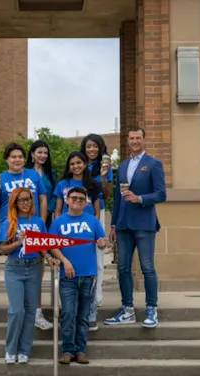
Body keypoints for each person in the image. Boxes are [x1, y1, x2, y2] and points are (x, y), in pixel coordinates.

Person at [104, 127, 166, 329]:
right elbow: (117, 198)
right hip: (123, 224)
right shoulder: (122, 166)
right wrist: (113, 224)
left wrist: (139, 198)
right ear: (127, 140)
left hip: (144, 223)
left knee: (147, 267)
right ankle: (127, 309)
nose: (134, 141)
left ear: (144, 139)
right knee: (123, 268)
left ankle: (151, 309)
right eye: (131, 138)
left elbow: (161, 194)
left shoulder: (153, 164)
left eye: (138, 138)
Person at [0, 142, 52, 332]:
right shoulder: (0, 178)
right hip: (11, 228)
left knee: (37, 270)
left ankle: (37, 312)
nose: (18, 160)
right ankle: (17, 312)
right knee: (15, 268)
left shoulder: (33, 175)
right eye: (13, 157)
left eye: (20, 156)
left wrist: (41, 223)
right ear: (7, 159)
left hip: (33, 225)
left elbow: (42, 199)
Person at [49, 185, 106, 365]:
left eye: (81, 199)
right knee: (68, 313)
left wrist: (102, 243)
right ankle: (68, 350)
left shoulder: (92, 221)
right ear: (67, 200)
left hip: (88, 275)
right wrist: (64, 261)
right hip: (67, 276)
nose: (77, 201)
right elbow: (52, 245)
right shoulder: (58, 221)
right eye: (74, 198)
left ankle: (80, 350)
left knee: (83, 315)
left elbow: (102, 243)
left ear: (85, 203)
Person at [0, 187, 47, 364]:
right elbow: (2, 249)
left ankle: (24, 350)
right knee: (16, 310)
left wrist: (49, 257)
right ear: (15, 202)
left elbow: (42, 246)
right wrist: (18, 242)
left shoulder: (38, 222)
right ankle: (11, 349)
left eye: (28, 199)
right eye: (22, 200)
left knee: (30, 312)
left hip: (33, 267)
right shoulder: (9, 222)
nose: (26, 203)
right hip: (14, 268)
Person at [79, 134, 113, 331]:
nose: (91, 150)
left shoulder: (104, 167)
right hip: (79, 214)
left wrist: (103, 175)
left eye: (95, 147)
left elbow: (107, 194)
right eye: (88, 146)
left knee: (98, 256)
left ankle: (97, 295)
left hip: (96, 213)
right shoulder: (80, 164)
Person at [26, 139, 57, 331]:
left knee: (40, 267)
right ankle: (29, 309)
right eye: (39, 152)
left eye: (45, 152)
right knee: (28, 268)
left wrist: (43, 221)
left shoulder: (49, 174)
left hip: (44, 224)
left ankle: (37, 311)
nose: (43, 155)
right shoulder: (25, 173)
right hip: (25, 224)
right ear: (32, 154)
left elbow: (53, 198)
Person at [53, 152, 101, 220]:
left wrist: (94, 225)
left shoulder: (93, 184)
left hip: (87, 224)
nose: (75, 166)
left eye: (79, 163)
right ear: (69, 167)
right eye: (72, 164)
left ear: (85, 164)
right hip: (67, 224)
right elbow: (58, 211)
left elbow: (97, 213)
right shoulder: (62, 184)